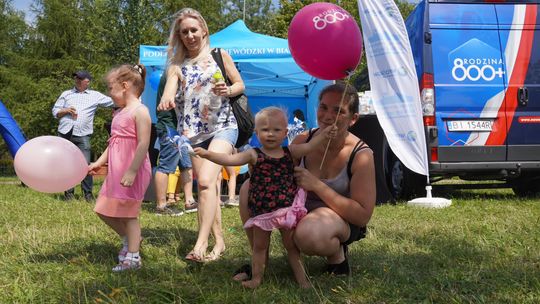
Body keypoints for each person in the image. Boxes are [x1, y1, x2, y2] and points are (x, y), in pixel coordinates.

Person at [233, 83, 376, 280]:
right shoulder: (303, 140)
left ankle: (337, 257)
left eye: (338, 111)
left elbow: (362, 216)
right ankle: (259, 259)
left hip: (336, 219)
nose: (327, 116)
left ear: (353, 119)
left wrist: (317, 185)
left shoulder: (361, 154)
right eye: (323, 107)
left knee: (310, 234)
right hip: (298, 210)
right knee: (249, 187)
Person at [194, 107, 337, 288]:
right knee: (259, 247)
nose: (270, 134)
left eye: (276, 130)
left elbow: (310, 146)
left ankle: (303, 280)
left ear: (286, 133)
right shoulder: (253, 154)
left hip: (286, 210)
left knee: (292, 247)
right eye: (265, 129)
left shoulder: (290, 151)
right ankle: (256, 278)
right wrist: (208, 154)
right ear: (256, 132)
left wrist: (325, 135)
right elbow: (231, 159)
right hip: (262, 212)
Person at [157, 8, 245, 262]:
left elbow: (240, 84)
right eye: (184, 32)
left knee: (205, 181)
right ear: (179, 36)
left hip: (223, 127)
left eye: (194, 30)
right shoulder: (176, 65)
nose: (190, 35)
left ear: (204, 30)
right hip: (193, 134)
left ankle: (200, 244)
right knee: (208, 190)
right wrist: (165, 98)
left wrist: (228, 89)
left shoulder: (219, 55)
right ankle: (219, 243)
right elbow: (170, 90)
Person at [88, 64, 152, 272]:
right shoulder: (119, 113)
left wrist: (132, 170)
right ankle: (130, 239)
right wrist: (99, 162)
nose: (109, 93)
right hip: (117, 171)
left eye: (110, 88)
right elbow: (113, 142)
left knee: (128, 213)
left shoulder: (140, 111)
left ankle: (133, 258)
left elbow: (143, 143)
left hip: (132, 170)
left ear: (124, 86)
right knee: (102, 209)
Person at [52, 70, 114, 202]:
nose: (78, 80)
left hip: (83, 134)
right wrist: (65, 110)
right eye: (76, 78)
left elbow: (115, 102)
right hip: (65, 133)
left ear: (88, 81)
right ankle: (68, 194)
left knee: (85, 165)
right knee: (67, 164)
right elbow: (55, 111)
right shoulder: (66, 94)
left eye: (81, 79)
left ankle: (88, 195)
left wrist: (131, 96)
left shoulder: (95, 95)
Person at [154, 73, 196, 216]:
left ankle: (189, 201)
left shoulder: (182, 71)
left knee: (186, 163)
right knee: (166, 166)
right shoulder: (173, 73)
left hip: (181, 128)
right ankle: (161, 206)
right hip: (169, 126)